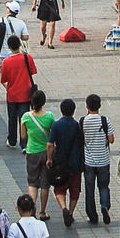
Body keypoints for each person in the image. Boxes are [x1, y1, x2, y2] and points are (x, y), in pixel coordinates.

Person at [47, 97, 83, 227]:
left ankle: (63, 207)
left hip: (60, 163)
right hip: (75, 163)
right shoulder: (77, 125)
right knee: (75, 190)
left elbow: (50, 144)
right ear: (73, 111)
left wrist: (49, 159)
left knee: (59, 188)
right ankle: (71, 213)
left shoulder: (56, 125)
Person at [20, 89, 55, 219]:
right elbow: (53, 135)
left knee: (32, 182)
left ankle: (31, 209)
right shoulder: (50, 116)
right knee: (45, 184)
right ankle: (42, 212)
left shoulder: (26, 117)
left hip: (32, 152)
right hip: (46, 153)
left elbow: (23, 137)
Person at [81, 92, 114, 225]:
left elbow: (81, 139)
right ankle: (105, 206)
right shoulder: (105, 120)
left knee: (89, 189)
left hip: (89, 161)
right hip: (103, 160)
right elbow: (111, 139)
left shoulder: (83, 121)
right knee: (104, 186)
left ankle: (92, 215)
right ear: (99, 106)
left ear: (87, 106)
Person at [0, 33, 37, 149]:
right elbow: (33, 71)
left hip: (12, 95)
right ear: (20, 44)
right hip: (25, 94)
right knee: (24, 119)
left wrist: (8, 87)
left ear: (9, 47)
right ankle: (24, 143)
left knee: (12, 119)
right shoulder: (27, 58)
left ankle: (12, 141)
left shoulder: (6, 62)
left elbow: (3, 80)